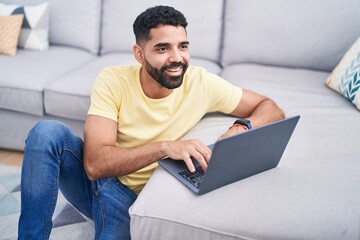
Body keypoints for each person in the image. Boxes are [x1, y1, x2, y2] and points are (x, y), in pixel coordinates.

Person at [18, 5, 284, 240]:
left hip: (133, 199)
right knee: (45, 133)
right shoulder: (113, 80)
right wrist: (165, 147)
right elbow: (94, 164)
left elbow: (270, 107)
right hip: (101, 181)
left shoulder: (202, 84)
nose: (177, 58)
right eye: (162, 48)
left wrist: (242, 127)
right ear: (139, 53)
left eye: (183, 46)